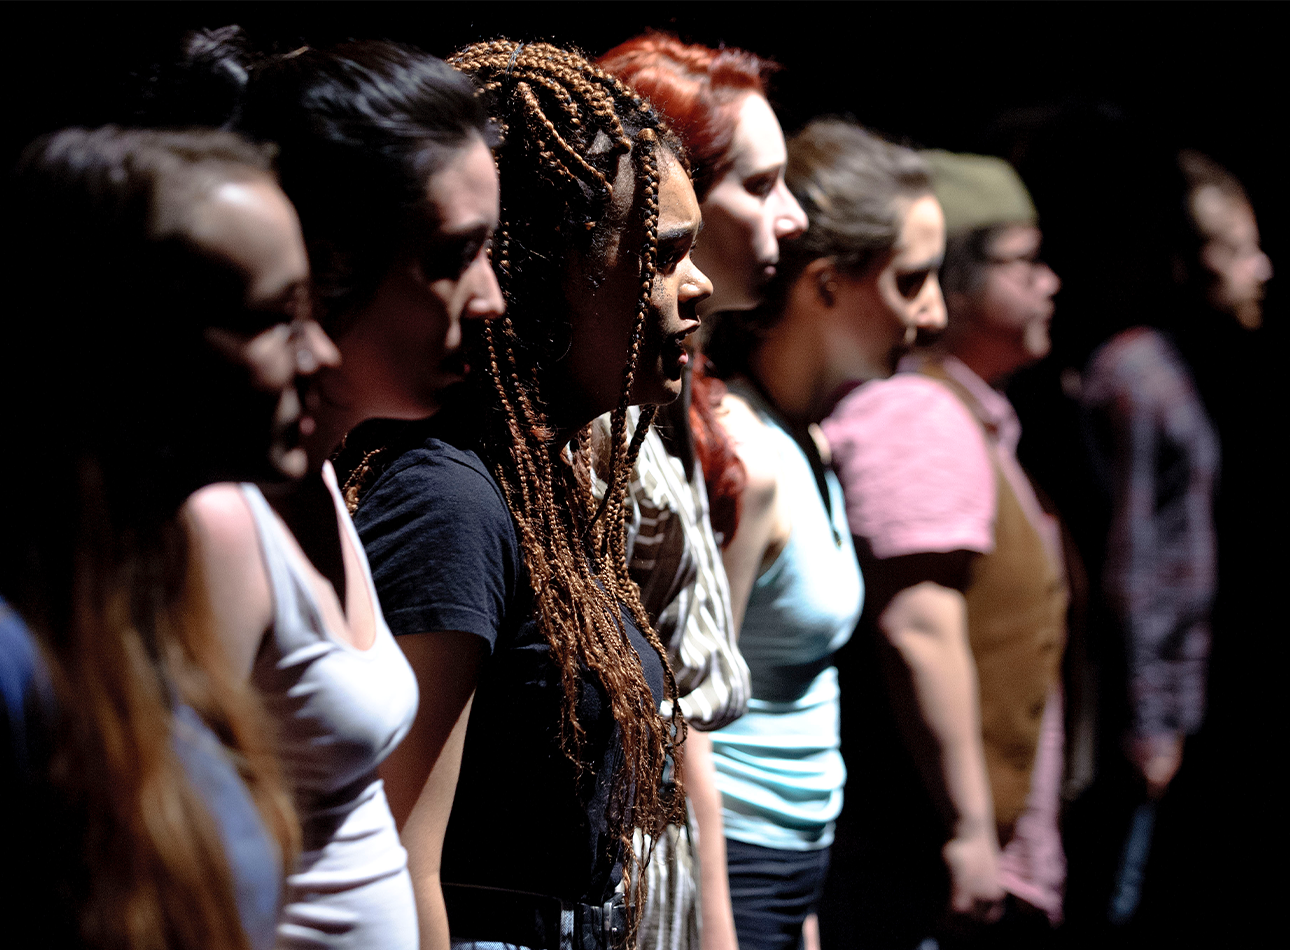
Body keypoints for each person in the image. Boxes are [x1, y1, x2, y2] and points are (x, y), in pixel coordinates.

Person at [346, 40, 710, 950]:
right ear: (547, 273)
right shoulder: (448, 503)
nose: (697, 286)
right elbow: (399, 862)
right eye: (663, 254)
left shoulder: (544, 488)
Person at [176, 33, 506, 950]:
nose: (491, 297)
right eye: (453, 254)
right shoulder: (224, 520)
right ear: (328, 260)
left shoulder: (320, 476)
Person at [1, 125, 330, 950]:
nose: (319, 352)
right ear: (129, 348)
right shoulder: (18, 662)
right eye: (275, 318)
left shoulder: (150, 613)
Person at [701, 118, 945, 950]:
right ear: (828, 285)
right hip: (735, 867)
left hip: (789, 865)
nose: (935, 312)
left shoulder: (806, 439)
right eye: (911, 280)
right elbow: (687, 719)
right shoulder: (744, 454)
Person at [821, 150, 1066, 948]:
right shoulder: (916, 413)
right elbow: (920, 626)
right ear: (956, 283)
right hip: (919, 867)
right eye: (1023, 262)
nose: (1050, 282)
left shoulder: (964, 412)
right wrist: (970, 831)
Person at [597, 33, 808, 950]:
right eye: (758, 186)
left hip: (675, 858)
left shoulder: (687, 400)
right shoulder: (602, 424)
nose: (794, 217)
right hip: (622, 868)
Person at [1070, 149, 1273, 941]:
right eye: (1238, 249)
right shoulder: (1140, 376)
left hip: (1186, 695)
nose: (1261, 267)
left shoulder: (1189, 366)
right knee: (1114, 898)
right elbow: (1136, 559)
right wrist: (1151, 719)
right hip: (1138, 711)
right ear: (1186, 263)